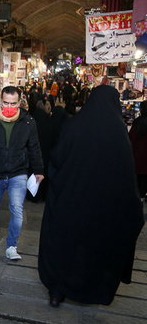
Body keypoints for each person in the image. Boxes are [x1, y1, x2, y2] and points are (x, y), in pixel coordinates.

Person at [38, 85, 145, 307]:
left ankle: (57, 290)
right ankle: (90, 290)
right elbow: (126, 174)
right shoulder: (118, 132)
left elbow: (57, 158)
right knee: (92, 246)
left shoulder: (74, 124)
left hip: (71, 200)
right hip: (102, 207)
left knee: (64, 241)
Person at [0, 86, 44, 260]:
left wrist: (38, 170)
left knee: (17, 209)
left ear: (19, 103)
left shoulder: (28, 122)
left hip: (18, 172)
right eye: (6, 102)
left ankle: (12, 245)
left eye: (13, 103)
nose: (9, 106)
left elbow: (34, 147)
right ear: (0, 101)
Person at [129, 100, 147, 202]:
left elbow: (131, 139)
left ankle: (140, 199)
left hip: (140, 157)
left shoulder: (138, 122)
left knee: (141, 181)